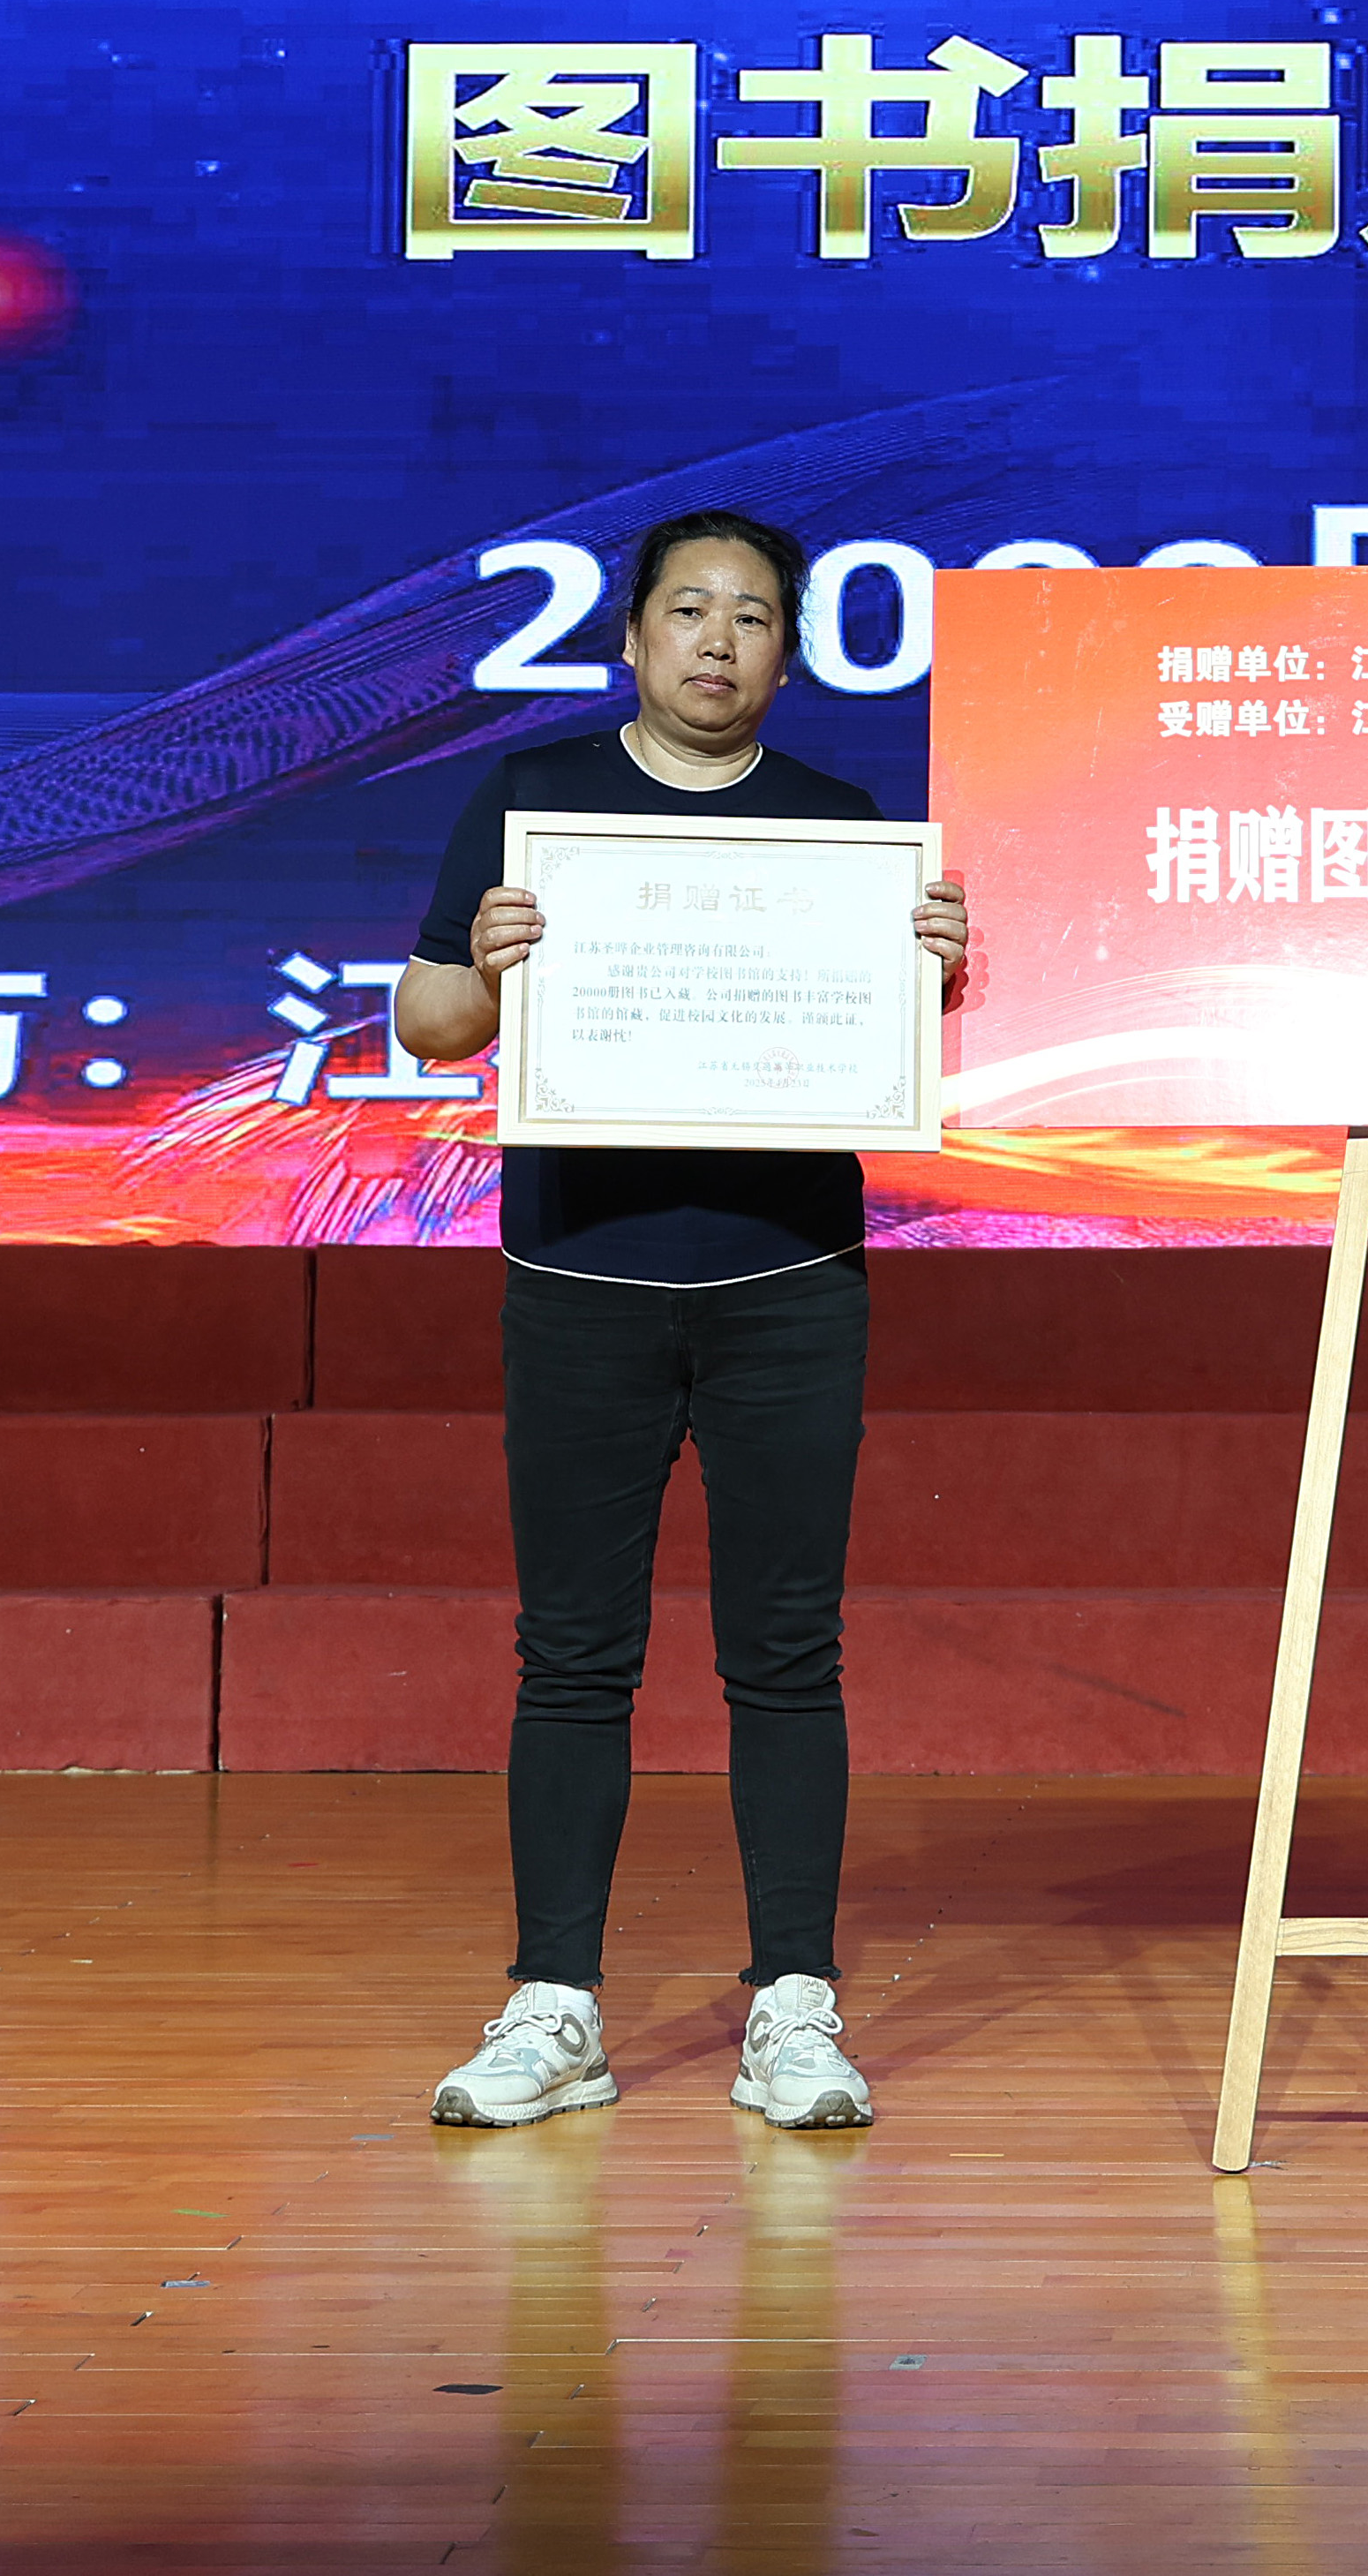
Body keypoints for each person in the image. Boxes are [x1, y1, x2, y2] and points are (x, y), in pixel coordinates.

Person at [386, 511, 970, 2137]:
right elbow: (429, 1021)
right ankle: (554, 2006)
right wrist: (486, 962)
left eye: (754, 617)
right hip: (583, 1278)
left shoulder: (841, 828)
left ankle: (794, 2004)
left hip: (790, 1284)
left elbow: (900, 1045)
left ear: (792, 653)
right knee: (574, 1654)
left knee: (786, 1652)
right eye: (690, 610)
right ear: (633, 637)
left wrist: (937, 970)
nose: (720, 640)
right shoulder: (535, 801)